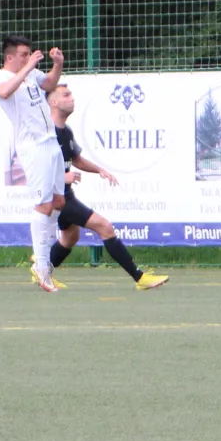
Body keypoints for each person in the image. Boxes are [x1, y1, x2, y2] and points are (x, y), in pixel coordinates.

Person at [34, 80, 169, 291]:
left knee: (70, 237)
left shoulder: (65, 131)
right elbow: (35, 167)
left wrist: (100, 170)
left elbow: (76, 159)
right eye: (66, 95)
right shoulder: (45, 134)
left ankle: (42, 271)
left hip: (65, 195)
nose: (72, 98)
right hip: (54, 198)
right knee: (105, 227)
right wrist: (60, 178)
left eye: (71, 94)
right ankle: (140, 277)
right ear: (53, 102)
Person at [0, 37, 68, 290]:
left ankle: (43, 260)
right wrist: (28, 67)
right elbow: (4, 92)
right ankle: (42, 266)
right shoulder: (0, 76)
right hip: (33, 147)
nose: (28, 58)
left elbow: (49, 83)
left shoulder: (32, 74)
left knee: (59, 202)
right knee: (43, 205)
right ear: (10, 57)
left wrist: (57, 64)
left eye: (28, 54)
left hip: (51, 142)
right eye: (23, 54)